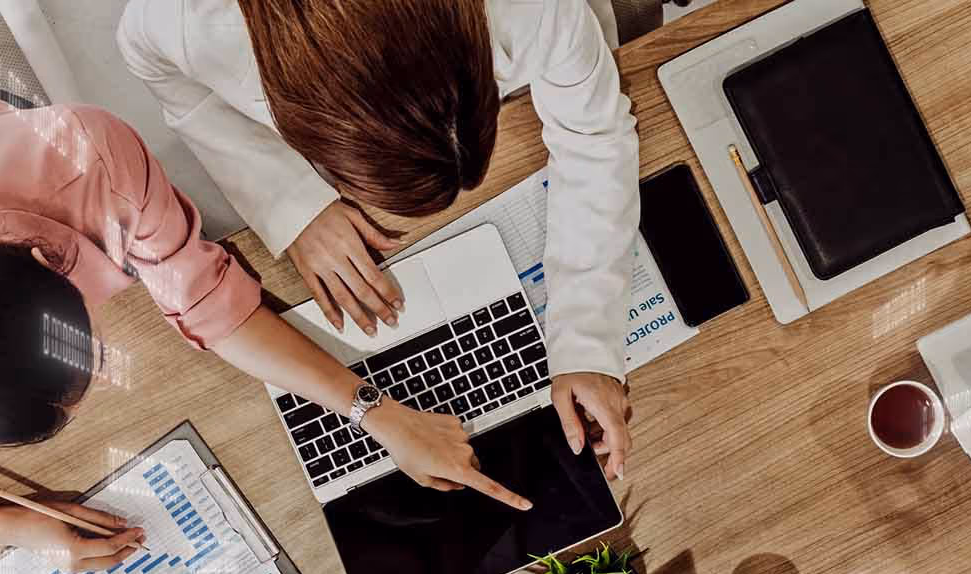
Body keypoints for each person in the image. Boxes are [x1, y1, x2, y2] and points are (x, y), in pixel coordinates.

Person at [0, 92, 531, 560]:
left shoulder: (88, 151)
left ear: (45, 258)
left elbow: (210, 306)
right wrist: (9, 528)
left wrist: (378, 413)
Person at [117, 0, 638, 479]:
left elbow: (593, 136)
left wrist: (589, 345)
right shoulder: (186, 20)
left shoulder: (529, 10)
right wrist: (291, 202)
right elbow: (151, 61)